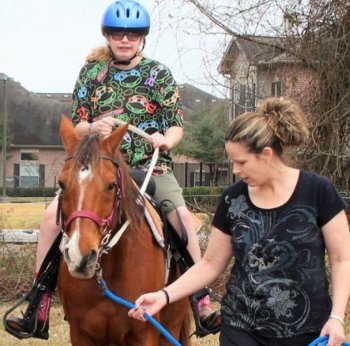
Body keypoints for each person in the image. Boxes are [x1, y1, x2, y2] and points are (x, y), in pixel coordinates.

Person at [5, 0, 219, 340]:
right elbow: (77, 126)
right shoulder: (91, 73)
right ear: (107, 36)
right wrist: (94, 128)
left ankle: (201, 298)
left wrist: (166, 138)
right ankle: (39, 301)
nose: (125, 40)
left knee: (181, 218)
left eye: (132, 35)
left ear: (142, 39)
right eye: (118, 34)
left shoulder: (159, 73)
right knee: (50, 220)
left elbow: (177, 125)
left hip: (150, 170)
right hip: (99, 168)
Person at [128, 96, 350, 346]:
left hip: (308, 332)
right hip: (241, 330)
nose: (235, 169)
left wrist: (337, 317)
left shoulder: (318, 191)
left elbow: (342, 259)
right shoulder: (232, 199)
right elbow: (210, 264)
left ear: (266, 154)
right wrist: (164, 295)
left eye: (241, 162)